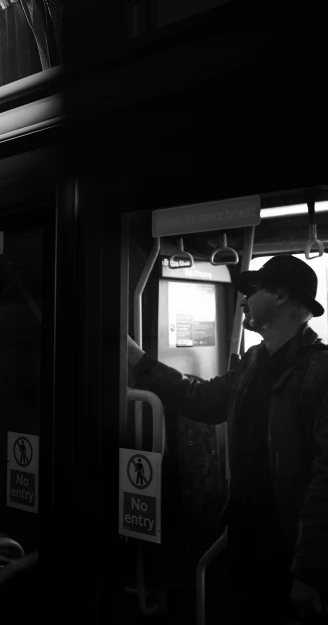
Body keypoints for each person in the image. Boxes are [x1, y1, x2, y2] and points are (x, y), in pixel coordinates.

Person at [128, 255, 328, 625]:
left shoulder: (319, 371)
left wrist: (311, 571)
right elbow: (201, 399)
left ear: (281, 295)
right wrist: (138, 360)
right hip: (248, 537)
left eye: (252, 290)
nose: (242, 301)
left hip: (291, 549)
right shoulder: (254, 362)